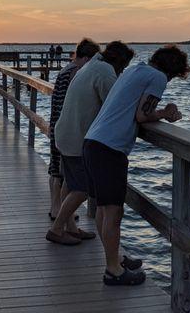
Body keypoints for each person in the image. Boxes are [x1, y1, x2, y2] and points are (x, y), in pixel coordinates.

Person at [83, 44, 190, 286]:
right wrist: (165, 113)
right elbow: (142, 115)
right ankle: (113, 271)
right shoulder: (158, 77)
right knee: (113, 211)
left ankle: (115, 258)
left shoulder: (135, 70)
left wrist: (160, 111)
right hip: (109, 148)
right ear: (172, 71)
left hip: (93, 142)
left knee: (103, 209)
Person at [46, 41, 135, 246]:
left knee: (70, 183)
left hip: (65, 133)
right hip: (77, 137)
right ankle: (57, 229)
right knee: (83, 187)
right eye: (124, 66)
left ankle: (70, 228)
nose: (123, 71)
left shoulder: (91, 66)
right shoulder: (105, 72)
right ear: (119, 62)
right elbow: (114, 104)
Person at [48, 38, 101, 222]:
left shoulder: (65, 70)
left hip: (56, 124)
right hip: (68, 126)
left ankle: (58, 211)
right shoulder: (77, 72)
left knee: (56, 168)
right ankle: (61, 215)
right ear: (87, 58)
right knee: (64, 174)